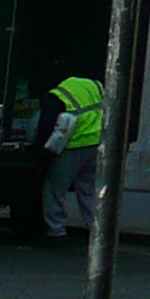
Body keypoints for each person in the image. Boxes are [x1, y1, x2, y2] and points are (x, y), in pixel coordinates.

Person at [39, 74, 105, 241]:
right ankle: (95, 228)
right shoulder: (96, 86)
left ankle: (56, 229)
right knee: (88, 189)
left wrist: (42, 150)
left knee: (55, 189)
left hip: (73, 146)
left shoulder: (58, 94)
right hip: (97, 143)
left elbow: (46, 125)